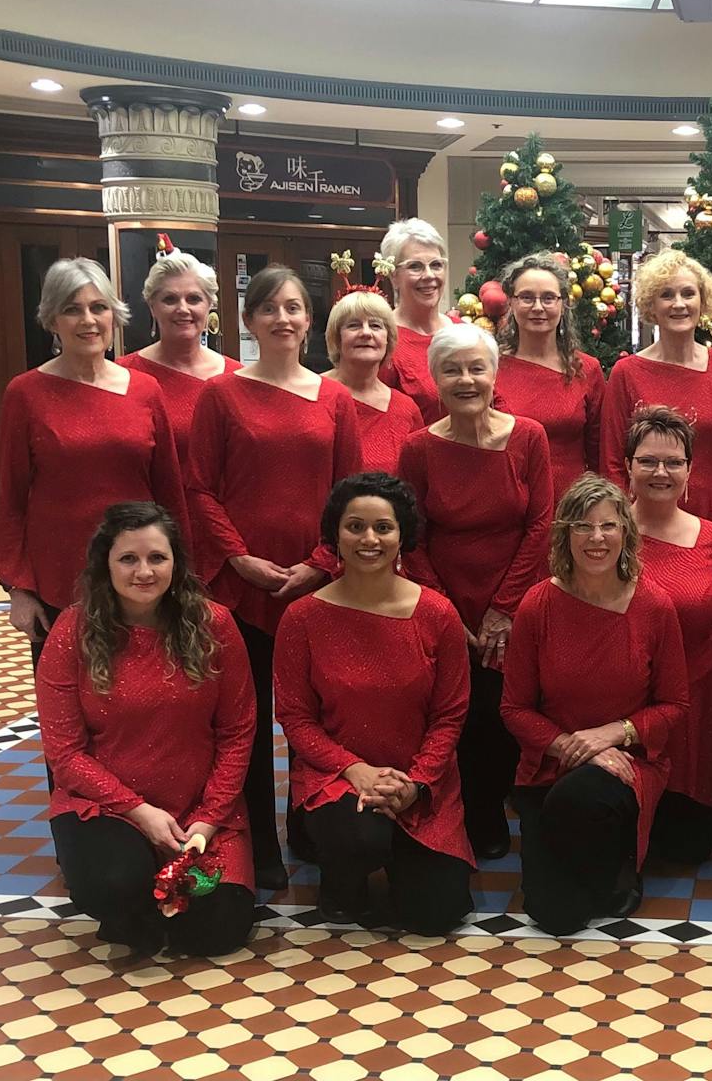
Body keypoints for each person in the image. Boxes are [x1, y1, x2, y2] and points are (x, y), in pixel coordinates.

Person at [188, 264, 363, 889]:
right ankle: (257, 841)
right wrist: (238, 559)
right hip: (242, 586)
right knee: (247, 722)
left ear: (309, 320)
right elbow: (200, 489)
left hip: (316, 586)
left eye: (293, 308)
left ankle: (313, 827)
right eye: (269, 309)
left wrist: (320, 563)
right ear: (249, 320)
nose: (283, 319)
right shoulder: (222, 394)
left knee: (318, 715)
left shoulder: (334, 398)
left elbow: (350, 495)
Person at [36, 501, 255, 956]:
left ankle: (148, 907)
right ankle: (125, 897)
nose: (144, 571)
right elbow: (65, 754)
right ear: (105, 565)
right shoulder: (71, 631)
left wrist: (210, 817)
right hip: (106, 807)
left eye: (157, 557)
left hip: (202, 810)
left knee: (217, 933)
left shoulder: (215, 625)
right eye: (128, 559)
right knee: (116, 885)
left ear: (176, 561)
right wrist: (140, 811)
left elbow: (237, 732)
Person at [274, 474, 474, 934]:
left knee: (437, 912)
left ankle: (403, 856)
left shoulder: (438, 613)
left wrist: (416, 783)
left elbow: (449, 716)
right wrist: (355, 769)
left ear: (403, 536)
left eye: (383, 528)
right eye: (355, 526)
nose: (369, 539)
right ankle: (342, 877)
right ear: (335, 537)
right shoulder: (301, 617)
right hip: (337, 776)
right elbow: (296, 719)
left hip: (422, 778)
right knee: (361, 837)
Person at [501, 475, 688, 935]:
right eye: (583, 526)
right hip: (549, 763)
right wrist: (572, 747)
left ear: (626, 531)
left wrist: (614, 734)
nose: (597, 538)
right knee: (555, 915)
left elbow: (675, 703)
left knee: (583, 795)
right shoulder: (536, 605)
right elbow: (514, 708)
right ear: (565, 534)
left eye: (608, 525)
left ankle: (618, 859)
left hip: (629, 762)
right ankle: (594, 869)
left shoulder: (655, 606)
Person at [397, 322, 553, 861]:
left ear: (494, 374)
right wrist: (444, 610)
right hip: (444, 601)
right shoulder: (418, 448)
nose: (466, 379)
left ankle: (502, 803)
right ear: (436, 379)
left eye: (476, 367)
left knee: (508, 708)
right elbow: (410, 536)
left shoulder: (529, 436)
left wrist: (503, 611)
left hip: (515, 600)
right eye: (452, 369)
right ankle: (466, 812)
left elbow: (540, 525)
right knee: (456, 713)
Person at [0, 258, 189, 668]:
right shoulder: (26, 393)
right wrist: (18, 588)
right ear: (52, 319)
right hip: (60, 577)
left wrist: (181, 574)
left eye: (98, 307)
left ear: (114, 316)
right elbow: (12, 500)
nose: (88, 320)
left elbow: (169, 490)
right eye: (72, 309)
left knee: (141, 695)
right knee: (68, 703)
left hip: (140, 575)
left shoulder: (145, 391)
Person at [626, 407, 712, 864]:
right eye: (648, 461)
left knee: (684, 852)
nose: (661, 472)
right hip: (624, 722)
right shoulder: (604, 537)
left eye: (674, 462)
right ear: (628, 467)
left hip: (697, 721)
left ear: (690, 471)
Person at [601, 249, 712, 564]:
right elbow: (613, 461)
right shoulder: (626, 373)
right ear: (651, 305)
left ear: (703, 300)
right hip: (643, 524)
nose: (679, 304)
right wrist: (622, 521)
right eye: (666, 295)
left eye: (688, 293)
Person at [495, 253, 606, 501]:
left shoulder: (587, 370)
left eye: (548, 298)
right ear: (511, 303)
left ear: (563, 304)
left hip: (572, 507)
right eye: (526, 297)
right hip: (508, 505)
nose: (537, 307)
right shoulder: (490, 368)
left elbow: (600, 453)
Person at [118, 248, 240, 470]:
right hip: (150, 504)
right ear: (152, 307)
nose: (182, 309)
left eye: (194, 298)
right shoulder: (123, 375)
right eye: (170, 299)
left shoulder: (237, 377)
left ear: (209, 304)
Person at [322, 288, 423, 474]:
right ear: (337, 338)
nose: (366, 333)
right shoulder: (314, 394)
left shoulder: (406, 409)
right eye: (353, 325)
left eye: (376, 326)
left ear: (388, 339)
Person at [377, 218, 449, 422]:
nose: (429, 275)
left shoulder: (466, 332)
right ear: (393, 277)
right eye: (415, 267)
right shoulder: (381, 340)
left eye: (436, 265)